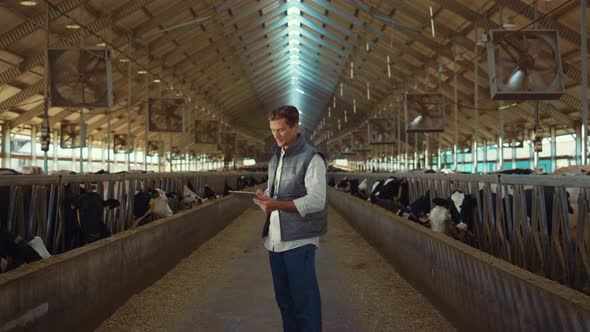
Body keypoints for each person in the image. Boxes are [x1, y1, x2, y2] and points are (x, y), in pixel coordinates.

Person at [253, 105, 327, 332]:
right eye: (273, 130)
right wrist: (265, 197)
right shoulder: (276, 158)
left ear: (296, 126)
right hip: (275, 240)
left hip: (299, 240)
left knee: (305, 303)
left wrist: (278, 205)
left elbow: (316, 200)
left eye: (282, 130)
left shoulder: (311, 158)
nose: (276, 135)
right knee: (285, 302)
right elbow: (276, 189)